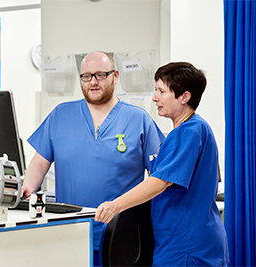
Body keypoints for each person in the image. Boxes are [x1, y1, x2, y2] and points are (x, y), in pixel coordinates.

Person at [21, 51, 165, 261]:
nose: (93, 82)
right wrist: (26, 189)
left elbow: (157, 178)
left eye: (100, 75)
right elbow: (40, 163)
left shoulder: (138, 119)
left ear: (115, 76)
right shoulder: (60, 115)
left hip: (122, 237)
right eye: (86, 76)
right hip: (67, 234)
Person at [95, 62, 229, 266]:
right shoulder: (189, 130)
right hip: (182, 239)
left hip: (186, 245)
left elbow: (160, 181)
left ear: (184, 97)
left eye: (161, 91)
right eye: (155, 90)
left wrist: (115, 206)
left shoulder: (189, 132)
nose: (154, 97)